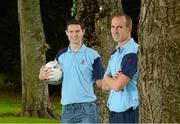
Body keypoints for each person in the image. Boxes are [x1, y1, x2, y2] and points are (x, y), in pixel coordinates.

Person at [38, 19, 104, 123]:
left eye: (77, 31)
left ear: (83, 31)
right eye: (71, 31)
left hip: (87, 108)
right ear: (66, 33)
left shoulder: (93, 55)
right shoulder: (60, 56)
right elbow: (57, 80)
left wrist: (113, 82)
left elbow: (100, 81)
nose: (74, 34)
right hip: (67, 109)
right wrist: (43, 77)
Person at [100, 13, 139, 123]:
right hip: (114, 111)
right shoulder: (115, 54)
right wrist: (111, 79)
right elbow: (103, 85)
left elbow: (117, 86)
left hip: (128, 112)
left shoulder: (132, 52)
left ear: (129, 28)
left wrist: (109, 78)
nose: (115, 31)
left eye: (119, 27)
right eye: (113, 27)